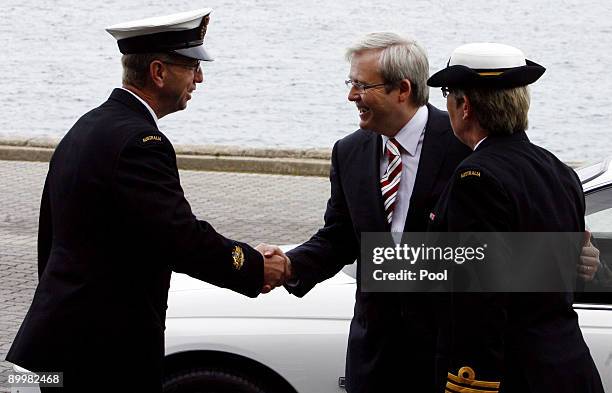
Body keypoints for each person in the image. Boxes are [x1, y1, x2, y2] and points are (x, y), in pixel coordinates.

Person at [5, 9, 288, 392]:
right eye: (191, 67)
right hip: (103, 352)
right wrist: (254, 267)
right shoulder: (141, 143)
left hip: (62, 339)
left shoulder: (89, 125)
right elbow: (179, 237)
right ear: (158, 72)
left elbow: (54, 238)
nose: (199, 78)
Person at [427, 42, 604, 392]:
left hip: (511, 373)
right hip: (568, 366)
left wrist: (472, 382)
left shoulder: (476, 178)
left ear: (464, 107)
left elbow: (481, 294)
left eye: (448, 94)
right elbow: (564, 274)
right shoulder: (558, 170)